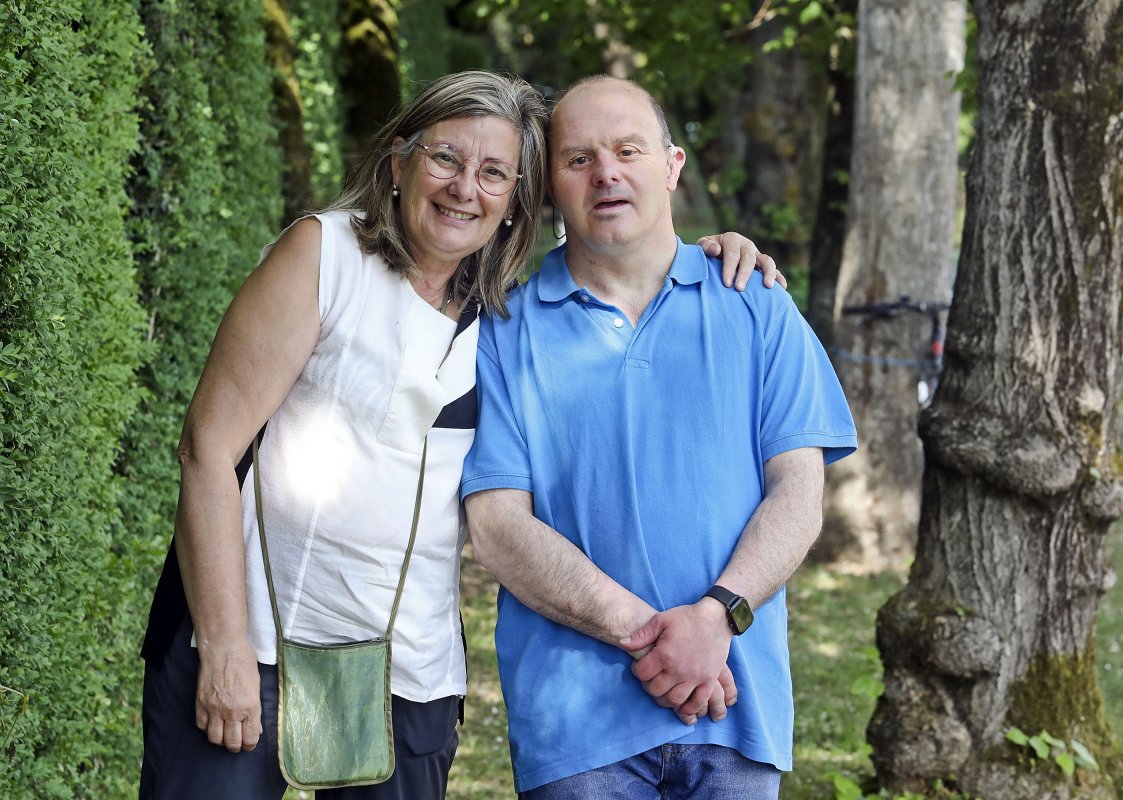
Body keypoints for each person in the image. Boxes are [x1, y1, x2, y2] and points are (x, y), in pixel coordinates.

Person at [138, 69, 778, 800]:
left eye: (494, 173)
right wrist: (223, 645)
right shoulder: (326, 254)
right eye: (445, 158)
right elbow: (207, 449)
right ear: (398, 163)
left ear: (516, 203)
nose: (464, 187)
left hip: (408, 673)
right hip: (260, 646)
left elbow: (628, 268)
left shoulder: (506, 317)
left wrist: (716, 251)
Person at [462, 75, 858, 799]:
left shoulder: (757, 305)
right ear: (549, 183)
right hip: (576, 729)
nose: (606, 172)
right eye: (578, 158)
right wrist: (665, 641)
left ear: (672, 165)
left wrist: (719, 619)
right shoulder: (504, 332)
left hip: (736, 710)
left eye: (627, 150)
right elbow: (495, 527)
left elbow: (798, 494)